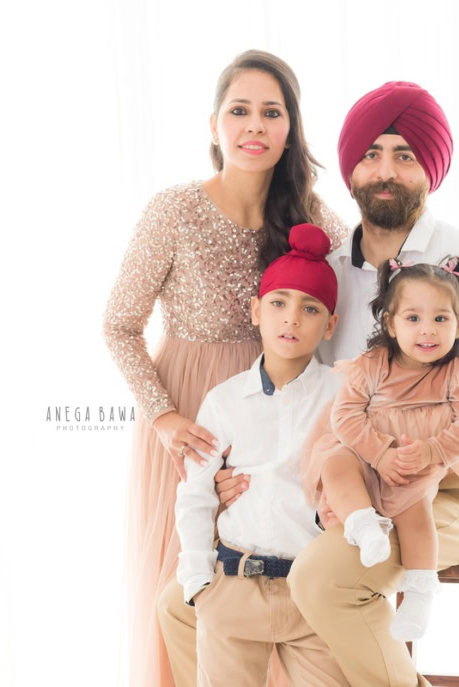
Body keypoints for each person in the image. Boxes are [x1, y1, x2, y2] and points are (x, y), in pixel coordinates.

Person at [282, 81, 459, 686]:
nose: (386, 171)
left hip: (458, 486)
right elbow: (309, 392)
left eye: (405, 155)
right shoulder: (327, 274)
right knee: (233, 584)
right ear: (350, 170)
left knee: (322, 580)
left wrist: (429, 440)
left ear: (430, 170)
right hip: (352, 481)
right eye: (372, 154)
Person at [102, 50, 347, 687]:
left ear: (291, 128)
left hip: (281, 417)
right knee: (190, 590)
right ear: (214, 125)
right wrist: (163, 418)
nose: (254, 125)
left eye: (271, 112)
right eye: (239, 110)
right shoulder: (174, 211)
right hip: (189, 419)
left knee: (275, 579)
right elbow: (119, 325)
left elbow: (356, 313)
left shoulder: (313, 219)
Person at [174, 223, 349, 687]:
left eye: (309, 308)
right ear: (256, 310)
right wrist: (197, 581)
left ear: (330, 325)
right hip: (235, 586)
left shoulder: (342, 395)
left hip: (313, 593)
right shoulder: (224, 401)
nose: (291, 319)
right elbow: (195, 493)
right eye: (278, 303)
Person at [304, 255, 459, 642]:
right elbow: (345, 417)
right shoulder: (372, 364)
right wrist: (379, 454)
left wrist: (430, 452)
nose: (428, 329)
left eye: (441, 318)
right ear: (390, 323)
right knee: (334, 464)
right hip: (363, 454)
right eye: (413, 318)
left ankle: (419, 595)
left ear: (458, 324)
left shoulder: (458, 374)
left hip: (413, 466)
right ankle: (363, 526)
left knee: (417, 516)